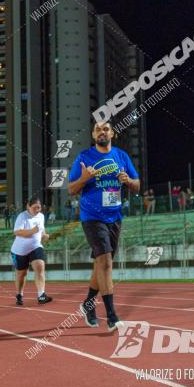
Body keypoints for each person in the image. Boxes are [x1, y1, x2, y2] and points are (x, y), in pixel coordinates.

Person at [69, 120, 140, 331]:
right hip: (92, 216)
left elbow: (137, 185)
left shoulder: (122, 156)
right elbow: (71, 189)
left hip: (115, 216)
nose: (102, 131)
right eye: (98, 129)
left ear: (113, 134)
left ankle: (87, 305)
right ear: (93, 134)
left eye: (106, 129)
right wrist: (84, 178)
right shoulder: (84, 157)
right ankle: (111, 315)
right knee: (106, 262)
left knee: (101, 264)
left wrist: (128, 180)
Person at [11, 195, 52, 306]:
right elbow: (17, 232)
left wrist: (45, 235)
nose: (37, 210)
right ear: (28, 206)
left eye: (39, 207)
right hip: (19, 250)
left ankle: (41, 295)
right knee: (22, 273)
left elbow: (41, 231)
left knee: (40, 267)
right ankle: (19, 295)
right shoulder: (22, 216)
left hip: (35, 247)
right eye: (35, 207)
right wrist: (33, 230)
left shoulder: (41, 216)